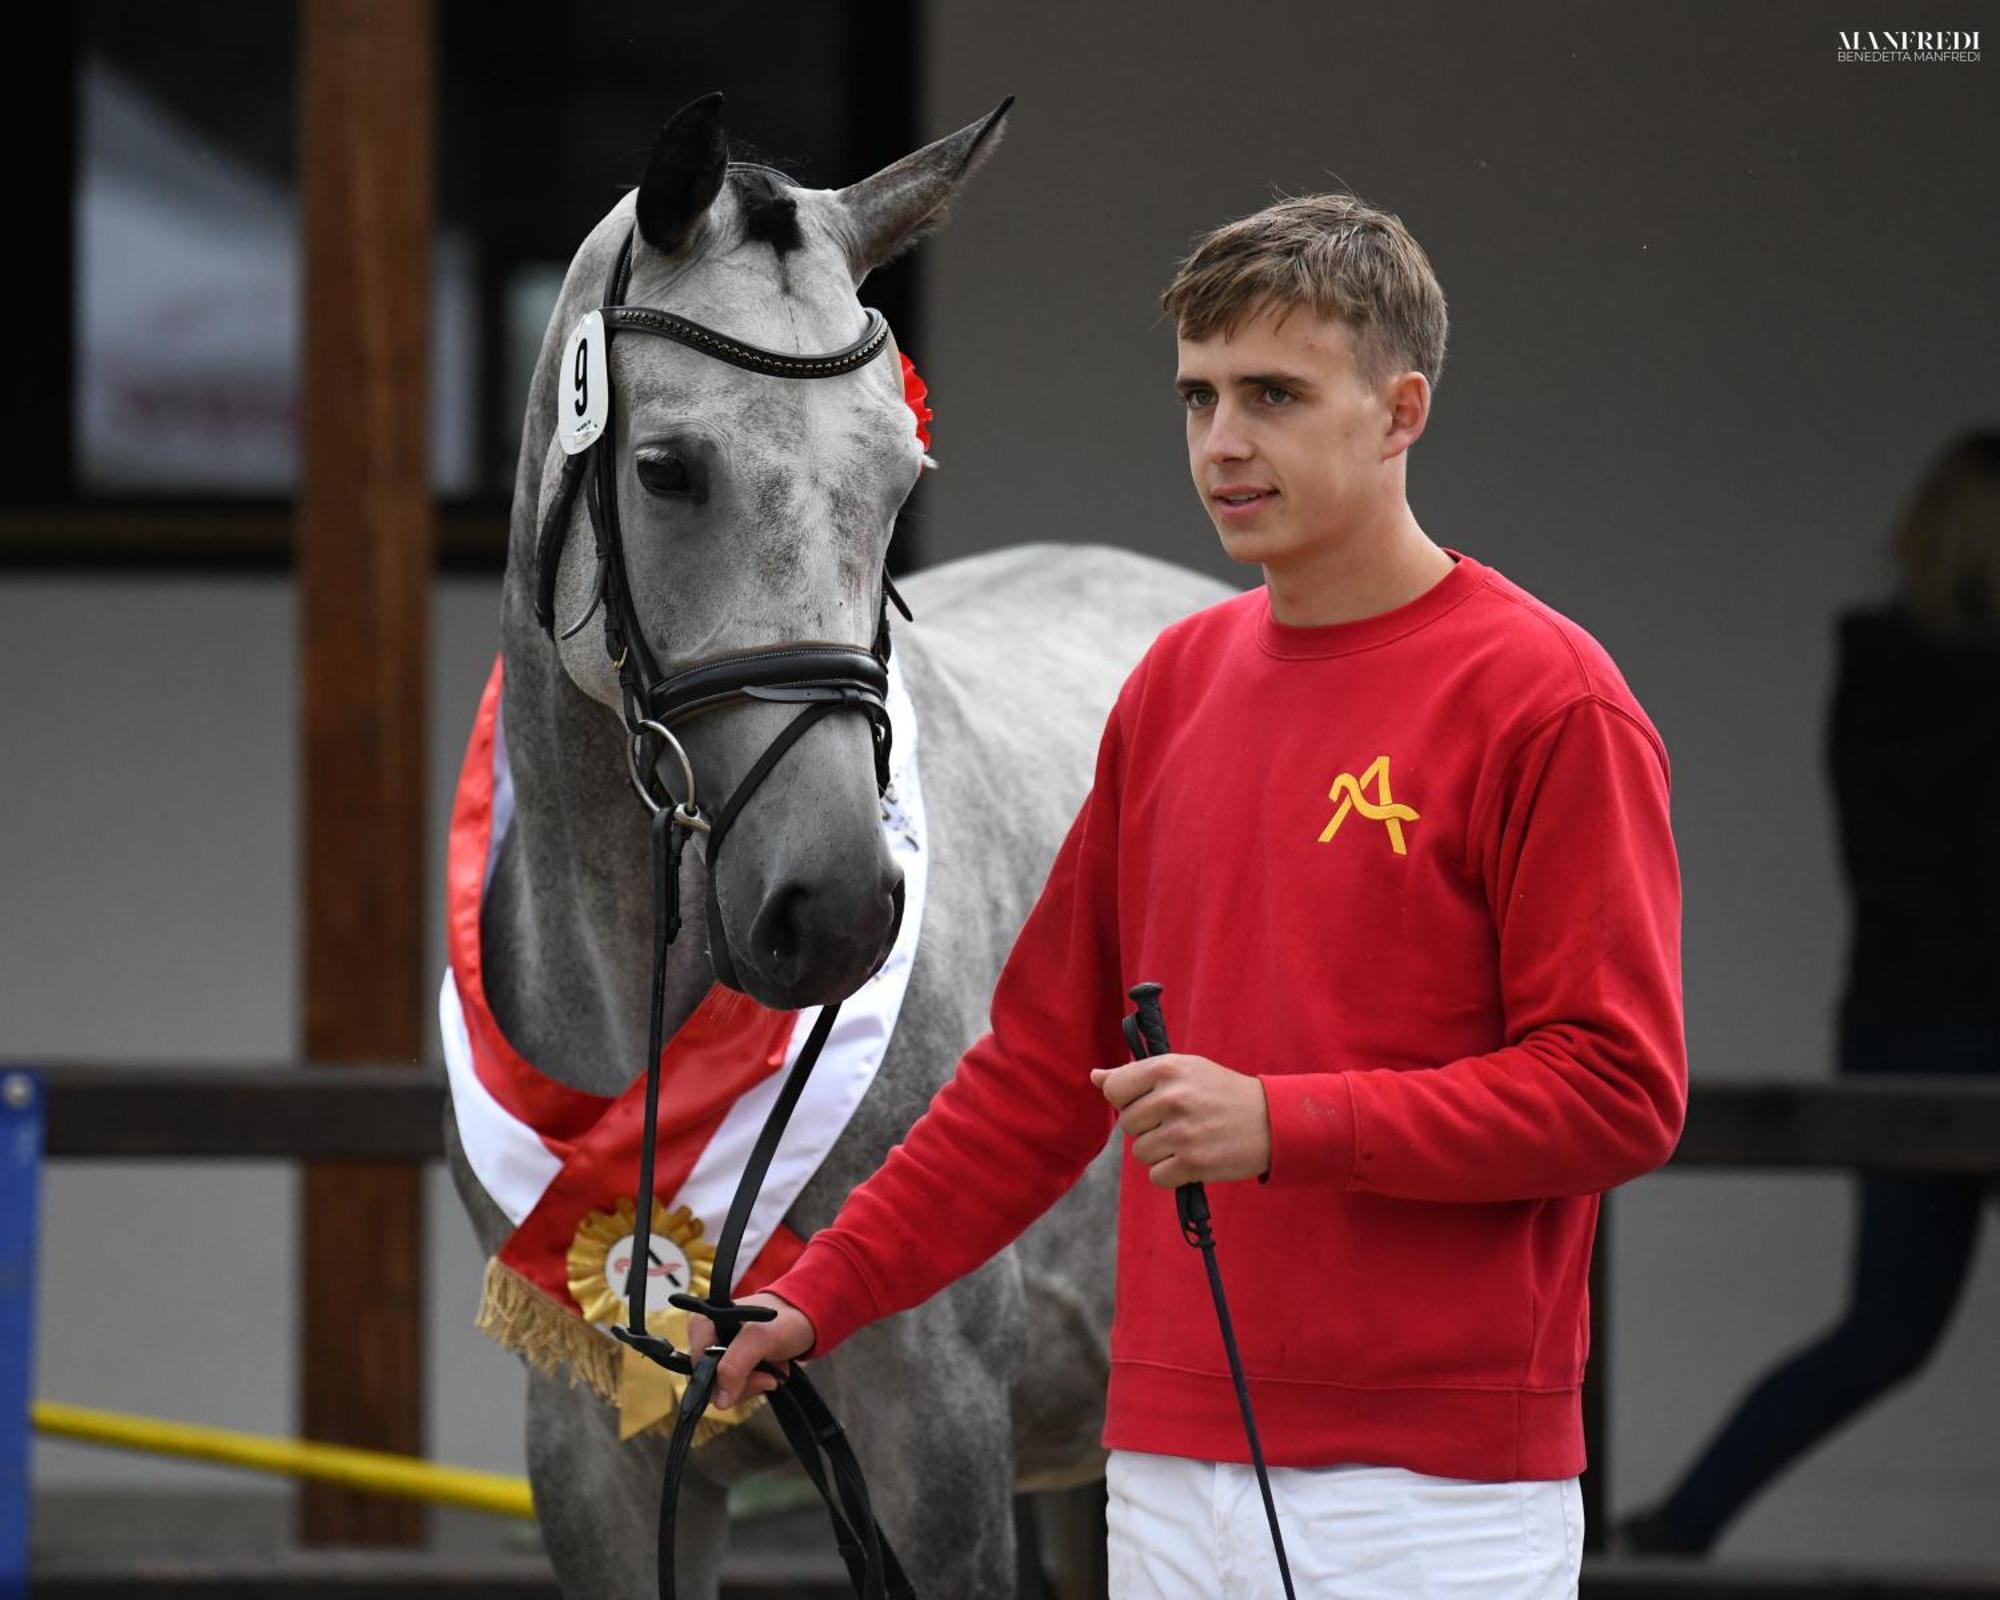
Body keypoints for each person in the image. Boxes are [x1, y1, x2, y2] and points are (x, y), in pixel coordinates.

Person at [693, 192, 1689, 1597]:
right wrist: (820, 1293)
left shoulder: (1548, 701)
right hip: (1159, 1472)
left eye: (1275, 395)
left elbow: (1619, 1090)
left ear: (1401, 411)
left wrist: (1285, 1121)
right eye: (1200, 396)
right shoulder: (1171, 687)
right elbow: (1036, 1079)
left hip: (1434, 1488)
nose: (1224, 443)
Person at [1615, 430, 2000, 1559]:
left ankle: (1678, 1523)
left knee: (1884, 1328)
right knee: (1886, 1328)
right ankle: (1676, 1525)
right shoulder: (1956, 688)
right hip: (1953, 1031)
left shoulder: (1874, 669)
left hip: (1893, 1028)